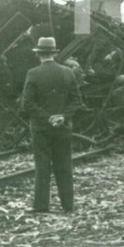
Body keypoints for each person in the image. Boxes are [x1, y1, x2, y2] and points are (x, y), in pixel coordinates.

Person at [20, 37, 80, 213]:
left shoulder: (33, 73)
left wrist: (47, 118)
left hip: (41, 128)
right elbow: (77, 101)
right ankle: (68, 205)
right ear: (54, 53)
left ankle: (41, 206)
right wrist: (62, 117)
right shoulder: (68, 72)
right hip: (63, 127)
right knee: (64, 165)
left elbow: (27, 104)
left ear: (38, 54)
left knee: (42, 166)